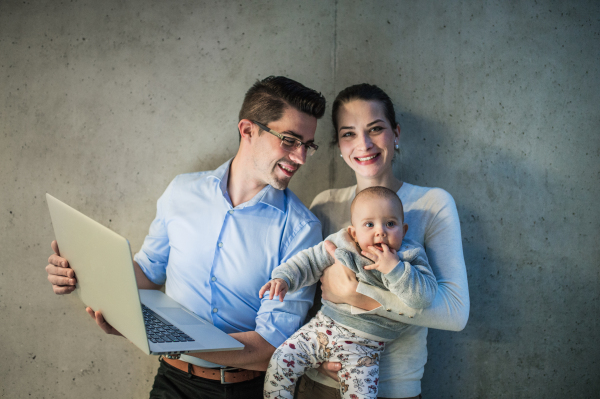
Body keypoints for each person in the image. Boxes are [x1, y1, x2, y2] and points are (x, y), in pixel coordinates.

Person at [44, 76, 332, 399]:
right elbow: (146, 275)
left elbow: (270, 347)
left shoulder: (301, 230)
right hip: (171, 382)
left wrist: (158, 337)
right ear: (247, 130)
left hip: (247, 391)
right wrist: (78, 273)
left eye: (308, 145)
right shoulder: (181, 191)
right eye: (290, 140)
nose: (301, 157)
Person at [296, 84, 470, 399]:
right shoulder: (323, 205)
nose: (363, 144)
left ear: (396, 133)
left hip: (394, 390)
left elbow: (455, 313)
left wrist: (357, 294)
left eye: (375, 129)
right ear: (338, 144)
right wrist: (314, 356)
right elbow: (303, 300)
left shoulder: (432, 204)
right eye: (348, 133)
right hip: (318, 386)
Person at [260, 186, 437, 399]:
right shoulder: (343, 243)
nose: (380, 231)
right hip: (322, 328)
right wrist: (284, 278)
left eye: (390, 224)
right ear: (353, 232)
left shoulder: (411, 256)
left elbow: (423, 297)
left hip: (365, 347)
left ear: (404, 230)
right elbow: (309, 260)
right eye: (369, 225)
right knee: (281, 360)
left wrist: (394, 268)